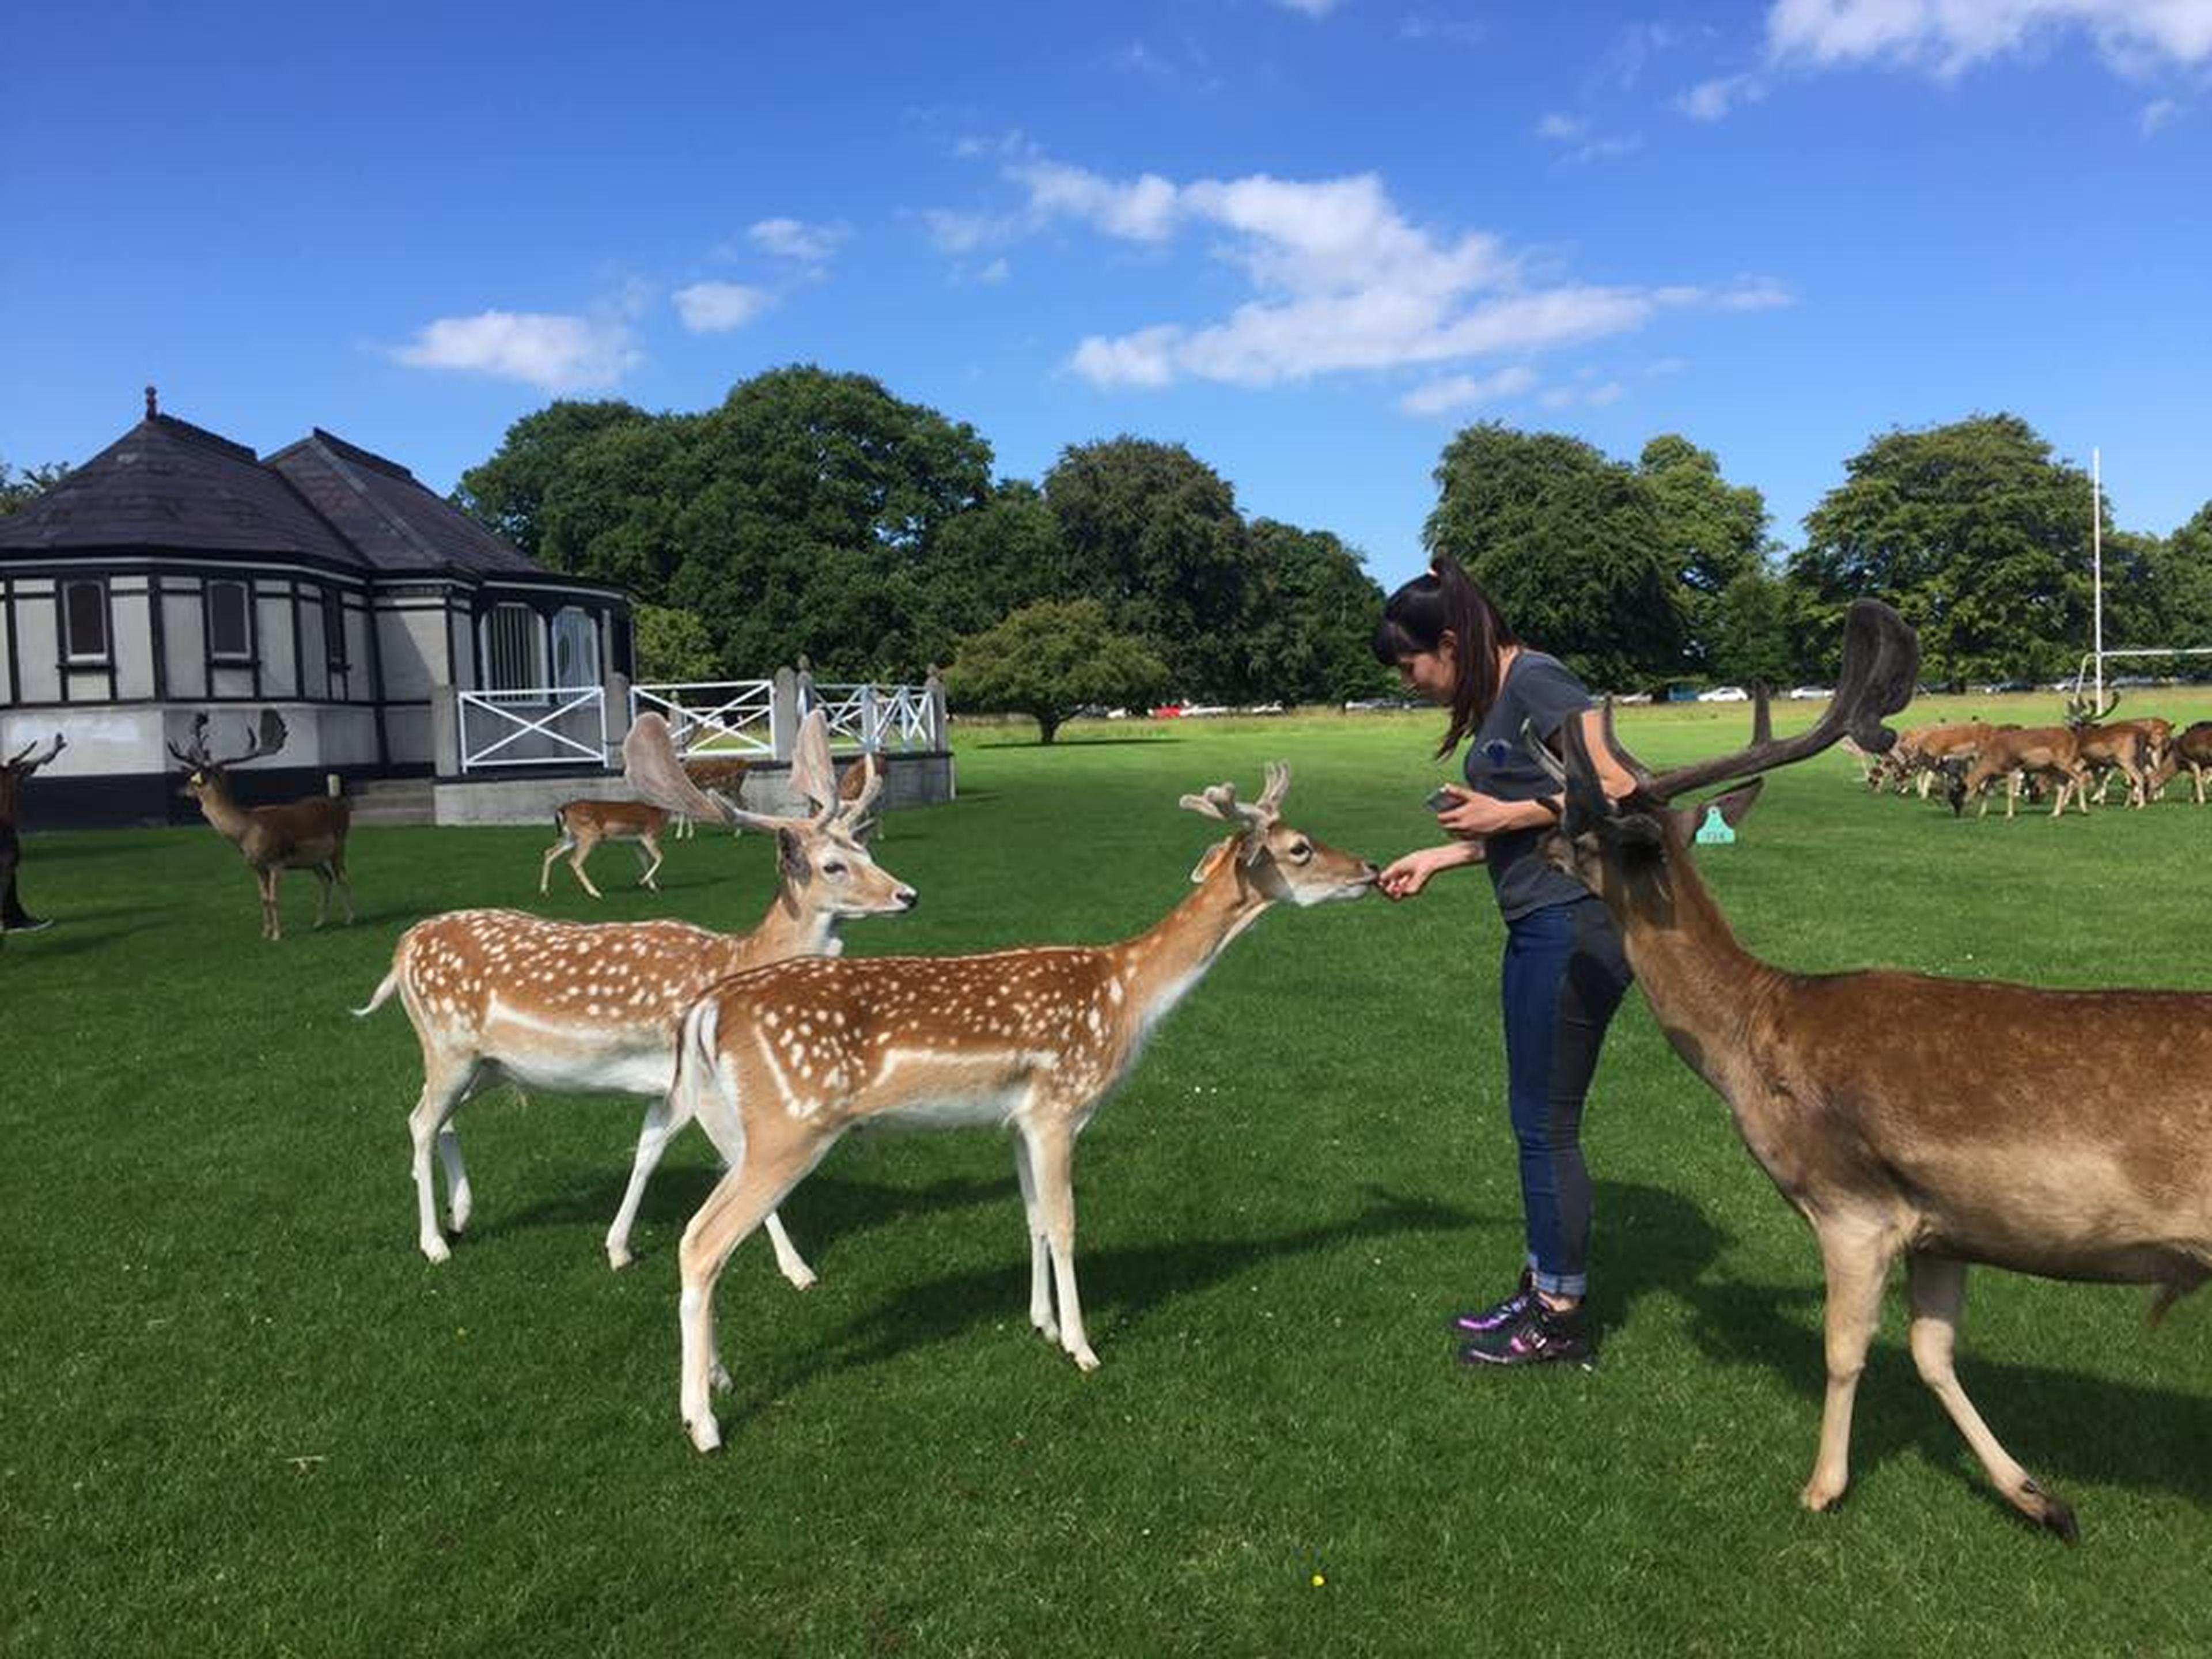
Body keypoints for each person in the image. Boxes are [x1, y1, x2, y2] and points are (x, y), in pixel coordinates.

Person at [1373, 556, 1637, 1367]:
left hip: (1573, 923)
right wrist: (1443, 854)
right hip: (1540, 922)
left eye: (1413, 664)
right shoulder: (1502, 696)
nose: (1413, 681)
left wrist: (1504, 808)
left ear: (1450, 642)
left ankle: (1558, 1317)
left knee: (1545, 1124)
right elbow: (1535, 822)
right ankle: (1541, 1282)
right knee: (1533, 1119)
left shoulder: (1541, 682)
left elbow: (1625, 786)